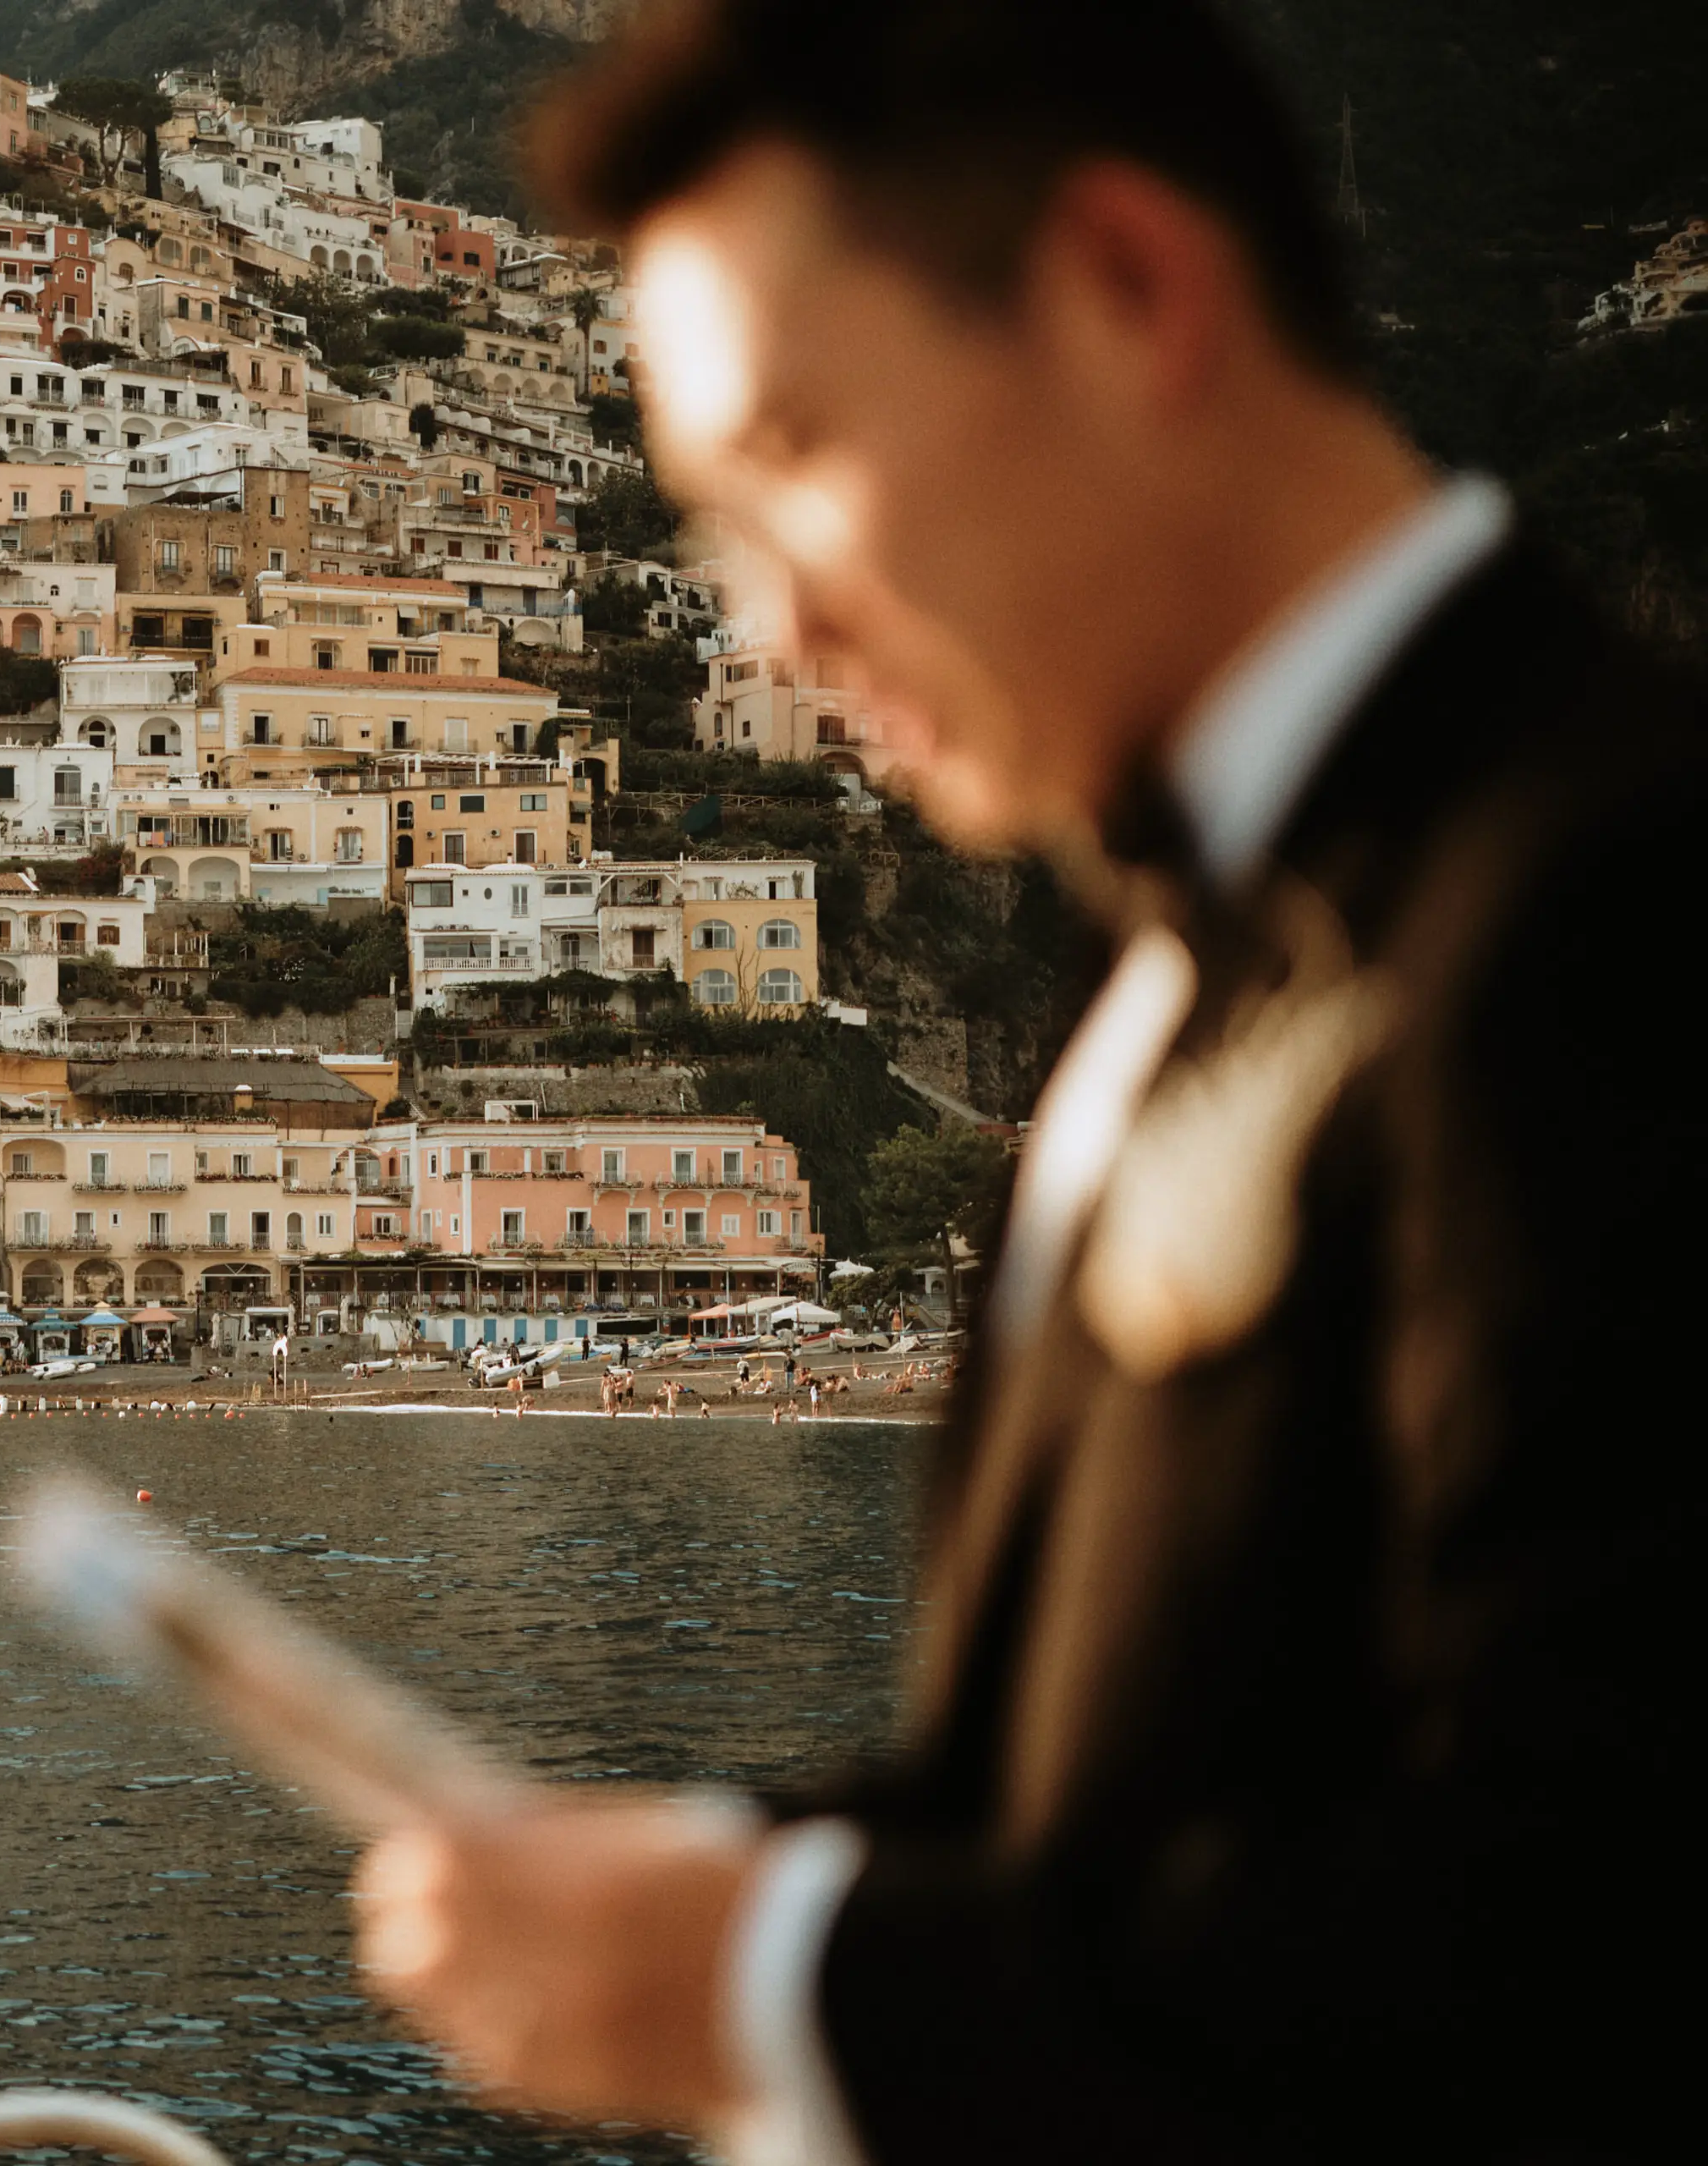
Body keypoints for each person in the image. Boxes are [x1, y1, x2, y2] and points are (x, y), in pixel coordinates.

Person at [354, 5, 1700, 2164]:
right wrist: (684, 1881)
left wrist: (777, 1969)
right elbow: (1104, 1810)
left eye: (790, 451)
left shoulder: (1612, 892)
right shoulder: (1169, 944)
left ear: (1126, 291)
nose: (772, 625)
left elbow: (1596, 1917)